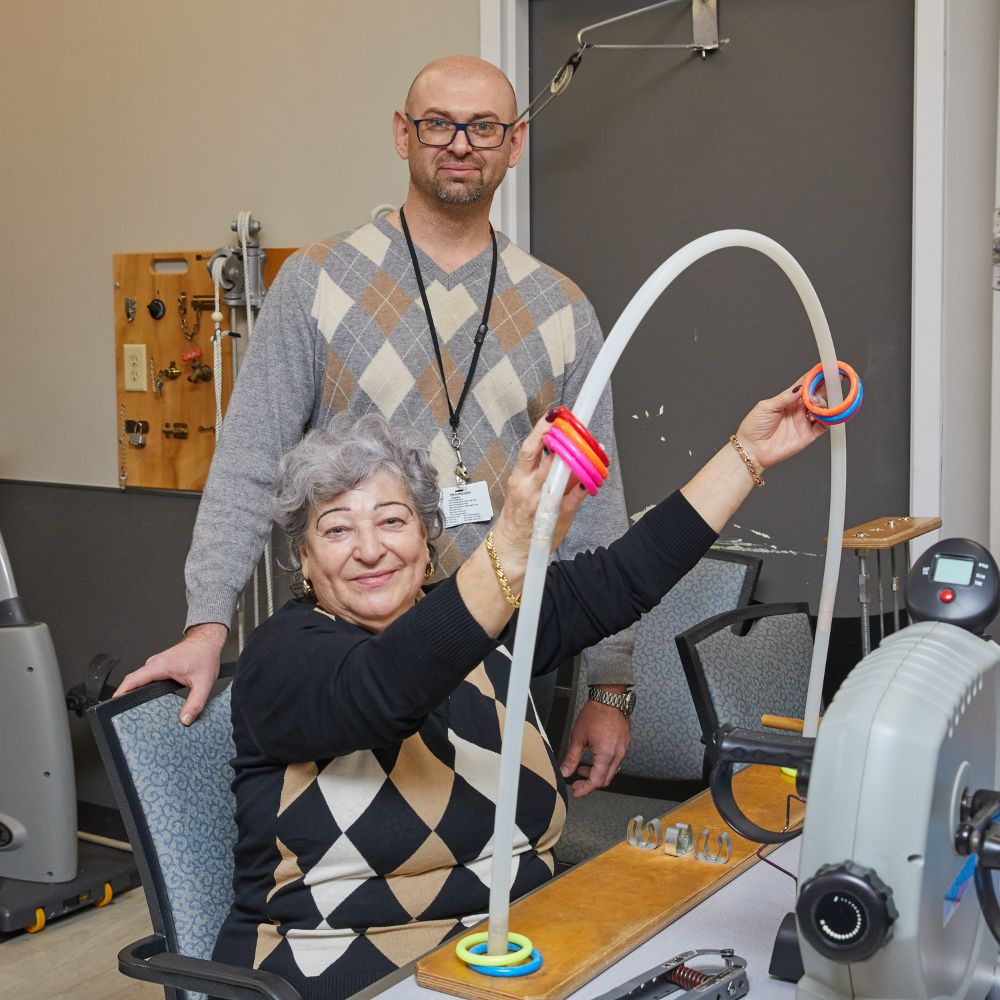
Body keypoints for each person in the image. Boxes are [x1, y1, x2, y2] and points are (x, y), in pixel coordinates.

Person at [115, 55, 635, 796]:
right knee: (356, 869)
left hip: (505, 657)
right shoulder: (317, 283)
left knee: (498, 870)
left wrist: (610, 687)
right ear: (402, 134)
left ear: (514, 143)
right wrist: (208, 625)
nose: (461, 143)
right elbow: (248, 463)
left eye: (483, 126)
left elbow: (597, 515)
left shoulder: (563, 309)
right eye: (438, 124)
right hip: (351, 658)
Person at [212, 377, 825, 999]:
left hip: (524, 958)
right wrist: (511, 541)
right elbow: (385, 691)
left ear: (426, 542)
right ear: (305, 559)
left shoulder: (497, 615)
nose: (371, 549)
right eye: (337, 530)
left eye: (392, 520)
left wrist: (747, 455)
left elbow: (626, 576)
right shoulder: (282, 657)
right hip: (341, 972)